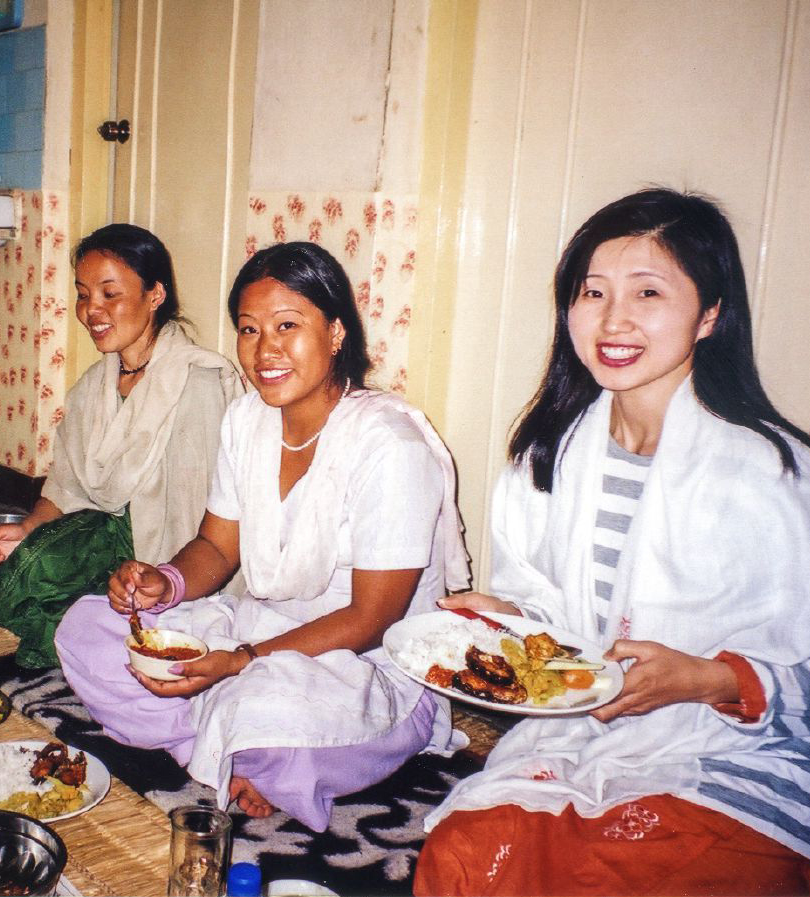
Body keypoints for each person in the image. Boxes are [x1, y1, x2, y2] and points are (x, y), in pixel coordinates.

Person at [414, 189, 810, 896]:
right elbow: (550, 615)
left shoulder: (772, 473)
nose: (613, 319)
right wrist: (499, 618)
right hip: (575, 735)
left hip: (725, 748)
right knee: (463, 861)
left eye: (648, 292)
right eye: (591, 291)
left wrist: (708, 678)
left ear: (710, 313)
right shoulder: (548, 452)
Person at [55, 240, 471, 831]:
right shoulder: (246, 421)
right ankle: (229, 748)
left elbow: (375, 617)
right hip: (262, 627)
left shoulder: (389, 446)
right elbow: (217, 548)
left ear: (335, 333)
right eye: (249, 330)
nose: (265, 350)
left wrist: (238, 664)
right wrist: (164, 583)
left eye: (287, 326)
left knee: (273, 712)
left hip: (368, 661)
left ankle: (236, 739)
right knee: (87, 629)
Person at [0, 223, 243, 668]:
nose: (91, 310)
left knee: (55, 584)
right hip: (110, 539)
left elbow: (205, 516)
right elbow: (64, 487)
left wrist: (163, 582)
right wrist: (25, 530)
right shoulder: (93, 386)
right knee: (32, 565)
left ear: (155, 295)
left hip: (175, 558)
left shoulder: (198, 382)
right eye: (83, 294)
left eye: (109, 294)